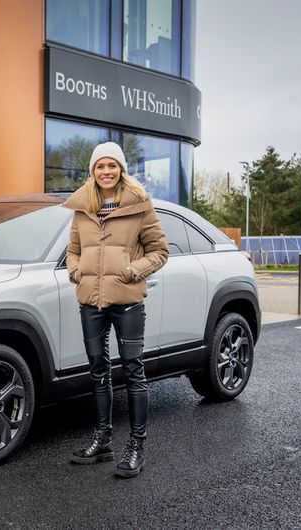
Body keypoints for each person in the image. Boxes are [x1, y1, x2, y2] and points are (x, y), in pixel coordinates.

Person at [63, 142, 168, 478]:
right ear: (92, 171)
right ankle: (103, 439)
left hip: (127, 302)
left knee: (134, 370)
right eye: (100, 166)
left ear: (121, 169)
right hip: (90, 303)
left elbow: (160, 251)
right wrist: (76, 271)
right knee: (98, 369)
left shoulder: (139, 205)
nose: (106, 171)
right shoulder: (82, 207)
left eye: (112, 165)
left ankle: (137, 446)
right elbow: (73, 249)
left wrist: (132, 271)